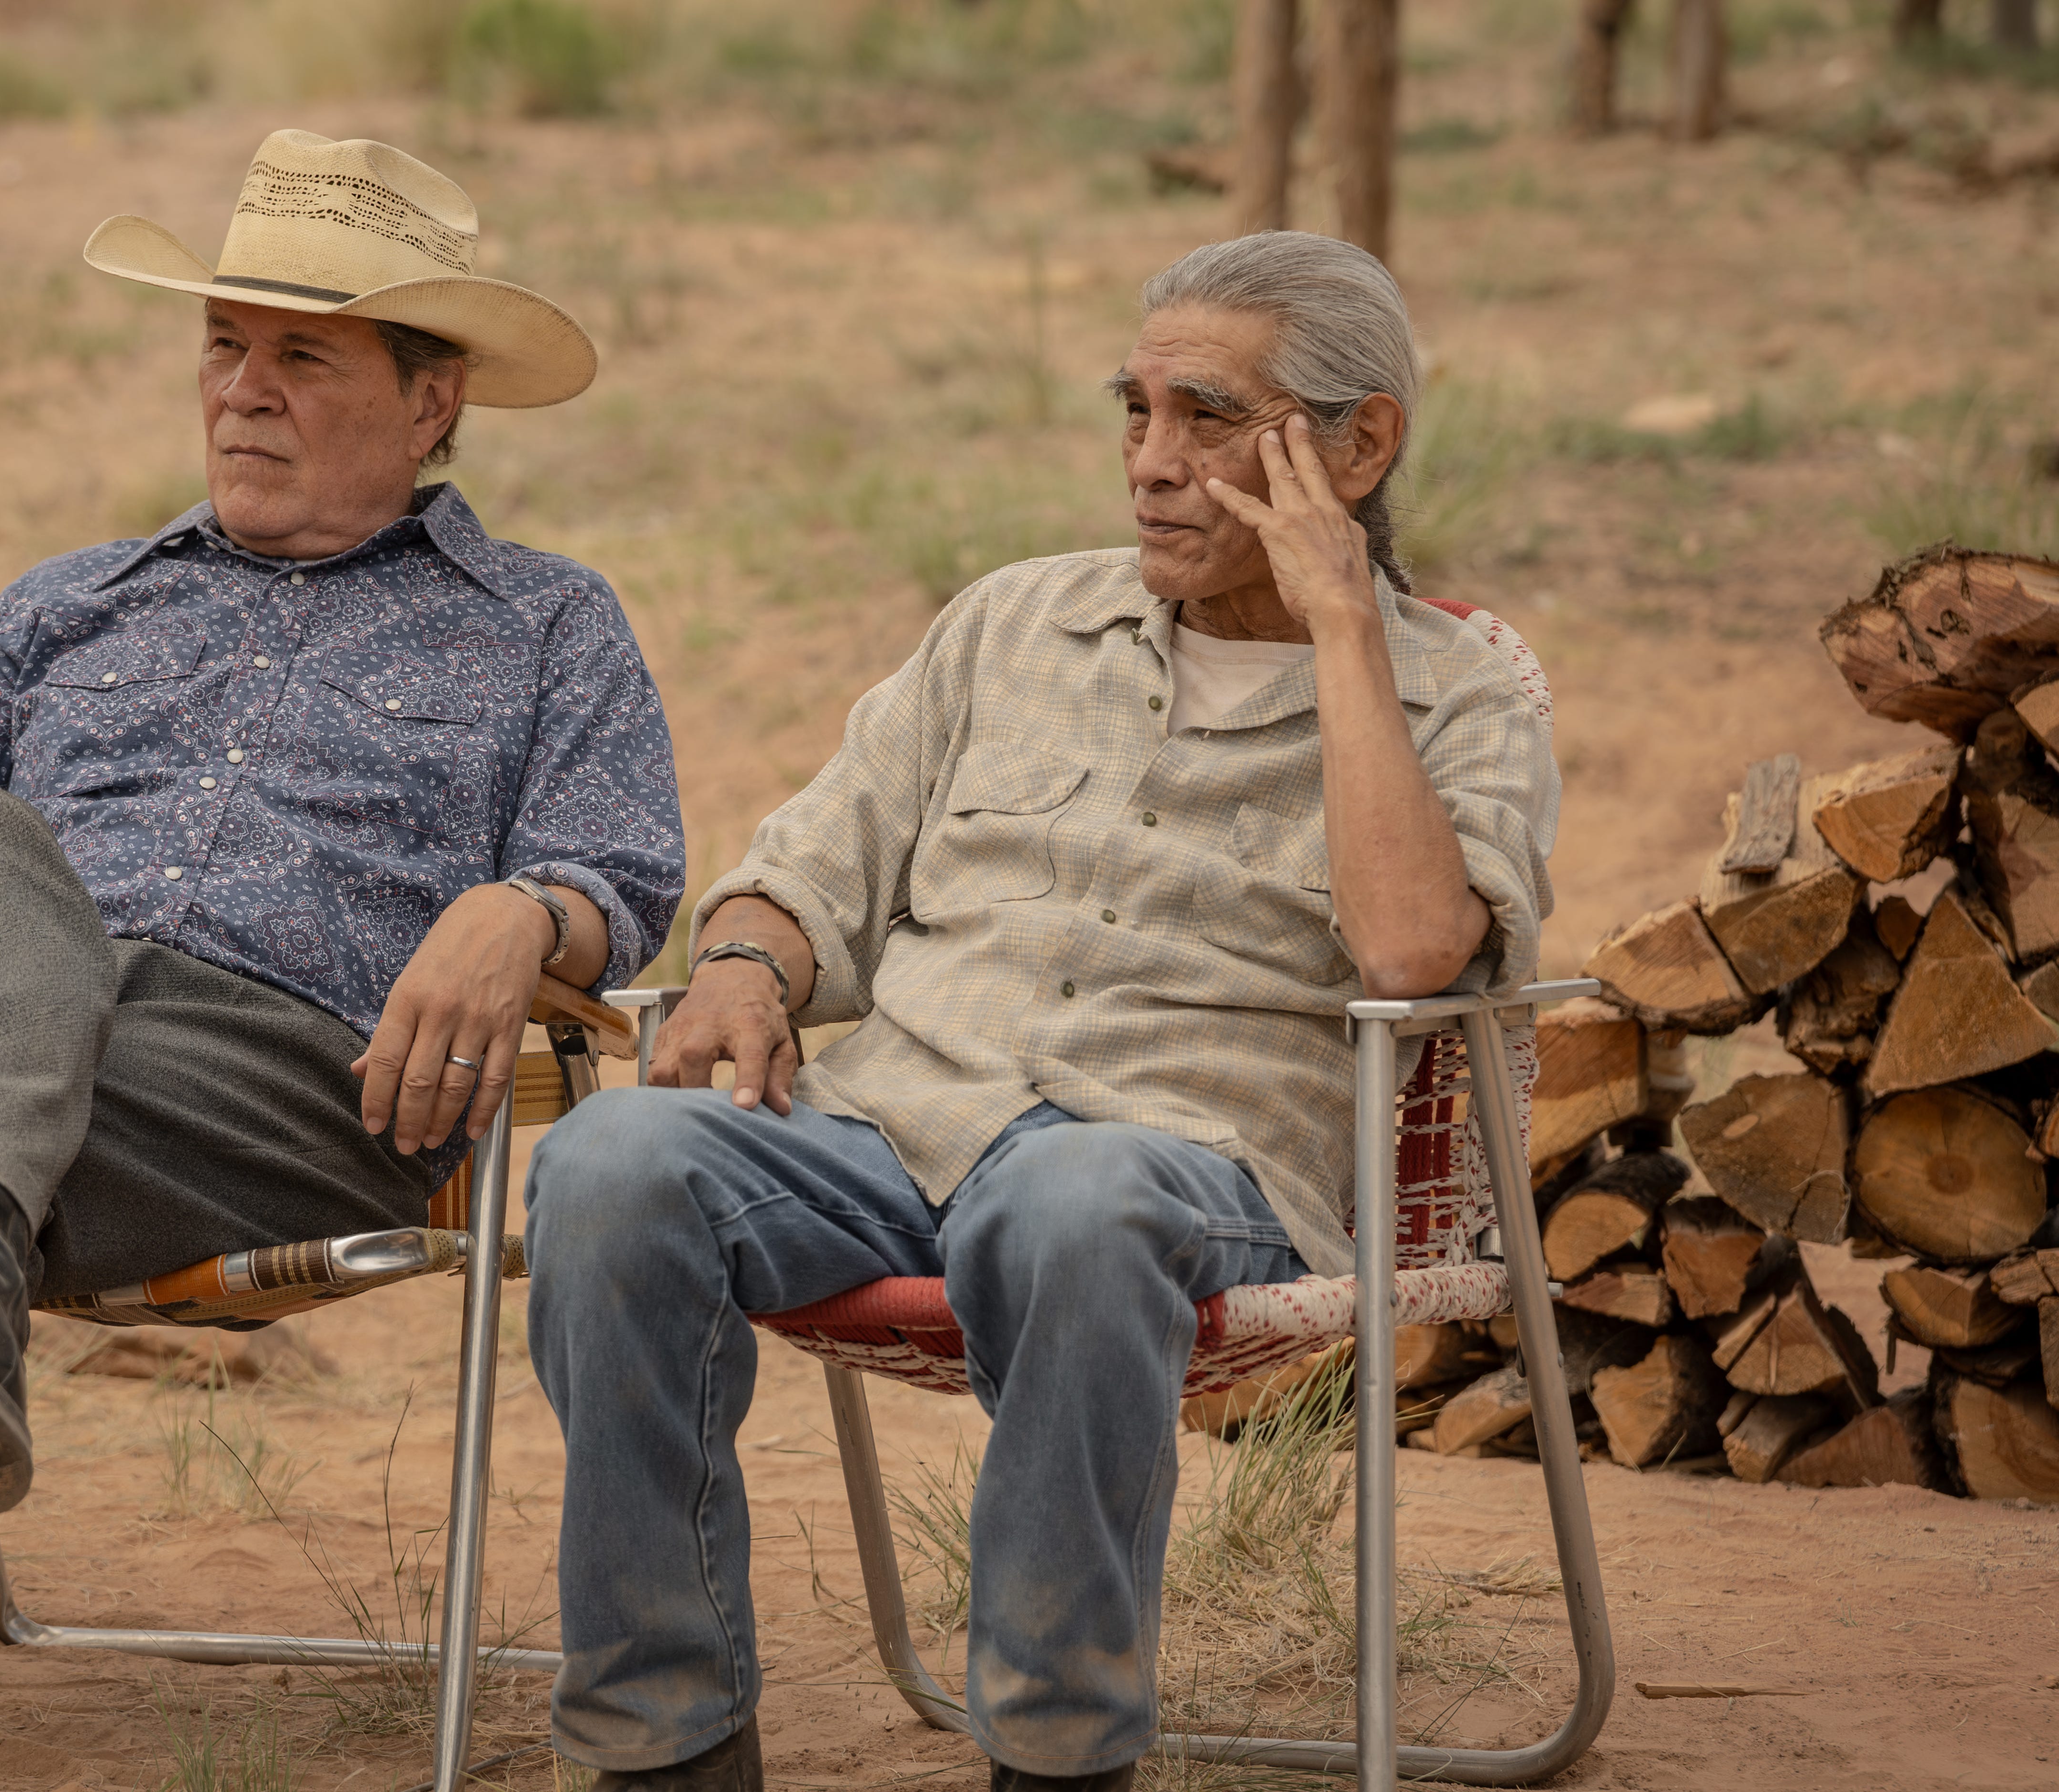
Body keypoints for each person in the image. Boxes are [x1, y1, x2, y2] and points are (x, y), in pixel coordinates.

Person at [0, 130, 684, 1791]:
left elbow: (620, 876)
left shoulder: (545, 623)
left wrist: (523, 910)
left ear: (434, 400)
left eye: (303, 357)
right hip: (19, 1034)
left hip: (291, 1079)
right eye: (221, 344)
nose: (242, 391)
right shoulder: (68, 603)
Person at [522, 231, 1558, 1792]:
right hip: (892, 1135)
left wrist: (1345, 625)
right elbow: (806, 873)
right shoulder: (1011, 624)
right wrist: (741, 964)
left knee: (1075, 1196)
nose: (1152, 461)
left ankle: (1058, 1758)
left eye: (1209, 418)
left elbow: (1415, 949)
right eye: (1136, 411)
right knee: (611, 1164)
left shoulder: (1460, 695)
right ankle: (664, 1749)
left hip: (1179, 1168)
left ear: (1360, 448)